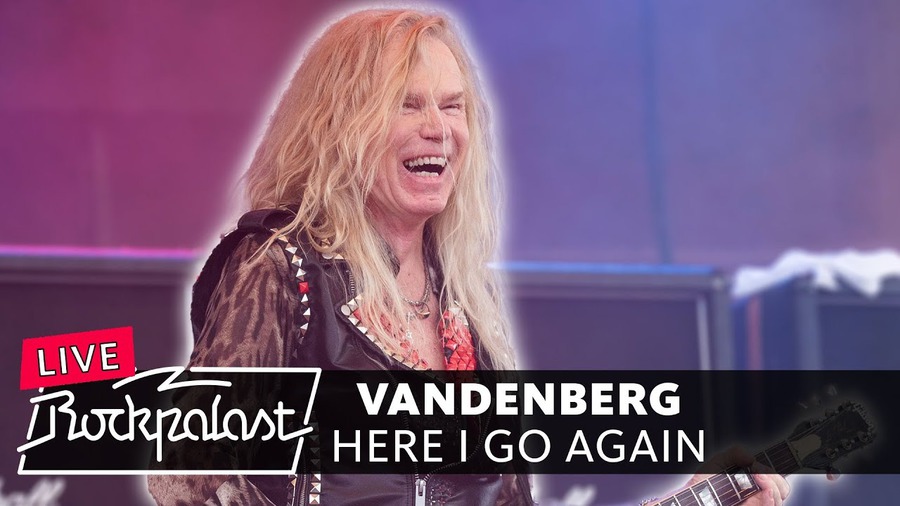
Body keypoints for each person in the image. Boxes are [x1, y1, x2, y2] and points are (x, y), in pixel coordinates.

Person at [148, 8, 791, 506]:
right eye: (407, 104)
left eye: (452, 106)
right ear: (340, 125)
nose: (439, 128)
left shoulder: (464, 308)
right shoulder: (280, 267)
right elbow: (187, 475)